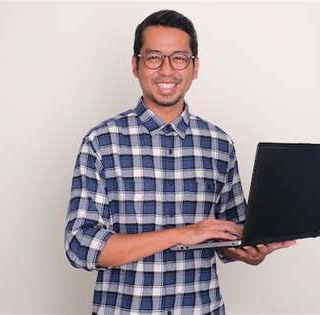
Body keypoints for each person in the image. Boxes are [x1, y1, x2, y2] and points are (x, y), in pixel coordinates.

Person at [64, 9, 296, 314]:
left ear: (195, 67)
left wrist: (250, 249)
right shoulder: (101, 141)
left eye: (179, 58)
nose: (167, 70)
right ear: (136, 65)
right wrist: (182, 233)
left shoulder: (219, 143)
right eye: (154, 57)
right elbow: (81, 246)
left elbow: (228, 235)